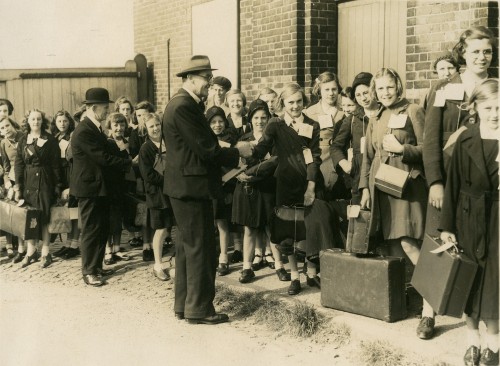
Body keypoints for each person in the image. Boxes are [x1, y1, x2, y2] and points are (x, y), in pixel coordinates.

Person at [162, 55, 250, 324]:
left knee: (189, 248)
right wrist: (237, 152)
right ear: (189, 78)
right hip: (192, 187)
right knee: (202, 248)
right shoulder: (184, 106)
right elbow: (206, 148)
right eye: (206, 79)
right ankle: (200, 309)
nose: (209, 84)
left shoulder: (181, 103)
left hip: (186, 186)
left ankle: (185, 305)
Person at [358, 68, 433, 340]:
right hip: (382, 187)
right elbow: (367, 156)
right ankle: (407, 301)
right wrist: (364, 188)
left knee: (410, 243)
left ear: (398, 86)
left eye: (389, 87)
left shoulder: (413, 110)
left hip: (407, 186)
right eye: (380, 89)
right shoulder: (376, 116)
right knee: (391, 244)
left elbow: (429, 149)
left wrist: (404, 150)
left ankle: (430, 311)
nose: (385, 93)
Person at [250, 83, 339, 295]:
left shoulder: (312, 125)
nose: (296, 106)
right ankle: (294, 277)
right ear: (283, 103)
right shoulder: (276, 125)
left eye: (299, 101)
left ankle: (310, 273)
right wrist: (246, 152)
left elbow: (313, 158)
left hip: (307, 181)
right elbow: (262, 148)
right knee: (289, 230)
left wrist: (310, 187)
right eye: (291, 102)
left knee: (308, 227)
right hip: (285, 183)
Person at [440, 79, 498, 366]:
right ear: (475, 107)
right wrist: (447, 227)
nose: (495, 114)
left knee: (494, 280)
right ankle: (472, 339)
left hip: (498, 219)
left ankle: (494, 344)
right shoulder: (465, 139)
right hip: (467, 217)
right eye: (488, 107)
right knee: (470, 278)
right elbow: (452, 186)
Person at [423, 26, 496, 238]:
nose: (482, 57)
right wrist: (435, 182)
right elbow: (431, 139)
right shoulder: (443, 88)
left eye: (487, 51)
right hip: (449, 178)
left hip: (487, 179)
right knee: (443, 251)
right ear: (463, 53)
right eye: (475, 52)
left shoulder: (497, 86)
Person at [70, 87, 131, 287]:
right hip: (89, 189)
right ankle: (88, 271)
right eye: (105, 108)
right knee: (90, 230)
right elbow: (102, 158)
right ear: (94, 107)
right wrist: (128, 163)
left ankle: (96, 267)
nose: (107, 112)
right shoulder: (83, 130)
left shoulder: (94, 127)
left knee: (102, 228)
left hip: (99, 188)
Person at [232, 99, 287, 283]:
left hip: (268, 187)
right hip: (249, 190)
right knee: (249, 229)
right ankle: (247, 268)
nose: (260, 121)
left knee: (272, 228)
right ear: (250, 119)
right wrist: (238, 174)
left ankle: (279, 265)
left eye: (264, 117)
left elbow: (275, 163)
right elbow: (235, 163)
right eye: (256, 117)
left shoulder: (274, 140)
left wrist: (254, 174)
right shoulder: (243, 139)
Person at [14, 109, 62, 268]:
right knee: (30, 217)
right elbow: (19, 164)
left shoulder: (50, 139)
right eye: (33, 119)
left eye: (39, 119)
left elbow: (56, 164)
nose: (36, 122)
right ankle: (30, 252)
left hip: (45, 181)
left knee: (45, 216)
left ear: (43, 121)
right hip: (28, 183)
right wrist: (18, 186)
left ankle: (46, 253)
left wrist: (57, 185)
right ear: (28, 121)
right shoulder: (23, 140)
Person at [331, 72, 379, 205]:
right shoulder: (352, 120)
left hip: (383, 174)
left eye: (366, 92)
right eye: (358, 95)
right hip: (359, 179)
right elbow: (335, 147)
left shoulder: (384, 115)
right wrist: (344, 164)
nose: (363, 98)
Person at [138, 112, 174, 281]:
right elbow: (147, 174)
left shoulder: (168, 142)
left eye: (157, 125)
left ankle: (176, 260)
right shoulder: (146, 148)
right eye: (151, 126)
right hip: (157, 193)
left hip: (171, 191)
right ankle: (158, 264)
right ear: (146, 128)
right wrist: (168, 181)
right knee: (160, 229)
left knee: (170, 227)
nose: (155, 129)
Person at [204, 106, 238, 277]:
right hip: (209, 186)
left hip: (226, 186)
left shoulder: (231, 138)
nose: (217, 125)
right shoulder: (204, 140)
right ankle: (211, 255)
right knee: (210, 222)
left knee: (223, 223)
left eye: (220, 122)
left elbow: (235, 163)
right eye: (213, 122)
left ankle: (224, 257)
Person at [49, 110, 81, 260]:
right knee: (65, 212)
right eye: (59, 121)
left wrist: (70, 185)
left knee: (74, 212)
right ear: (55, 123)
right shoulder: (54, 138)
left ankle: (74, 244)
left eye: (65, 121)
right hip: (59, 176)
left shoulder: (73, 137)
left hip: (71, 175)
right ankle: (67, 244)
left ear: (70, 122)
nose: (62, 124)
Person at [103, 112, 132, 265]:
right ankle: (108, 249)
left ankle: (117, 247)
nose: (119, 128)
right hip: (110, 184)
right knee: (109, 218)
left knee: (118, 217)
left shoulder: (126, 142)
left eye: (122, 125)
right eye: (116, 125)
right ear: (110, 126)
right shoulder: (108, 142)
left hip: (123, 184)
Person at [0, 116, 25, 261]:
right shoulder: (3, 143)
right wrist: (8, 182)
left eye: (7, 126)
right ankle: (18, 247)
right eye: (2, 128)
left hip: (25, 178)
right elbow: (6, 166)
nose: (5, 130)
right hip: (13, 180)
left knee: (26, 212)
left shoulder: (23, 137)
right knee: (14, 213)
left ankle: (29, 248)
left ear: (12, 125)